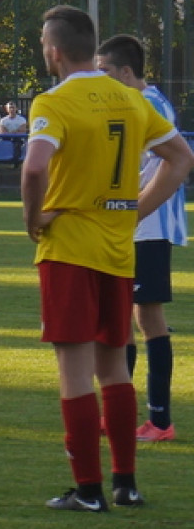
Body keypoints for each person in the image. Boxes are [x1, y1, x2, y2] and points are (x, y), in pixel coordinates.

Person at [21, 5, 193, 512]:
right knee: (114, 365)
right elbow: (181, 159)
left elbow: (35, 169)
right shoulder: (131, 98)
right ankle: (127, 484)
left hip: (70, 247)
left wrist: (33, 219)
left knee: (74, 369)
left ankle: (89, 491)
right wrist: (136, 208)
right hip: (119, 251)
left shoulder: (53, 101)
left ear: (53, 50)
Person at [96, 33, 188, 443]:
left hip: (145, 230)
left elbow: (175, 163)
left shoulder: (146, 105)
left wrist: (134, 214)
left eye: (105, 72)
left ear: (127, 72)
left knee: (144, 319)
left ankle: (160, 421)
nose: (100, 80)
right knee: (130, 319)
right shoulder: (144, 103)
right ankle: (127, 415)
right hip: (140, 228)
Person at [0, 101, 28, 167]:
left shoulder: (22, 119)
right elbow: (2, 132)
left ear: (16, 108)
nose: (11, 109)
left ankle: (16, 162)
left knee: (17, 145)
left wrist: (8, 131)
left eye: (13, 107)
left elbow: (22, 131)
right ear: (7, 109)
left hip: (18, 140)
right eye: (10, 108)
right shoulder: (3, 120)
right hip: (6, 140)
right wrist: (16, 131)